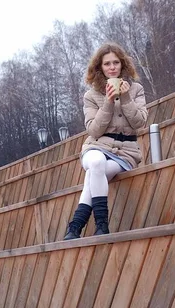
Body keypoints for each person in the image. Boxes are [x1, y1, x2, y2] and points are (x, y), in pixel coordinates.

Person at [64, 42, 147, 240]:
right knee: (96, 163)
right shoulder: (91, 95)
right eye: (107, 64)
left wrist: (125, 97)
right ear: (100, 67)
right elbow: (93, 129)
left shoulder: (135, 90)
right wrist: (109, 101)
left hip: (126, 152)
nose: (112, 67)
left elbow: (140, 123)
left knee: (95, 174)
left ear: (122, 64)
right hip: (97, 146)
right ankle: (102, 225)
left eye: (116, 63)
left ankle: (75, 225)